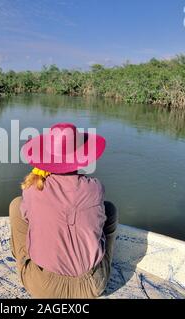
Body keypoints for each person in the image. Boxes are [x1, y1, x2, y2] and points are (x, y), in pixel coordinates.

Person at [9, 122, 118, 298]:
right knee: (110, 209)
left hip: (43, 288)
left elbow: (30, 215)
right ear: (82, 156)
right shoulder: (95, 188)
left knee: (16, 206)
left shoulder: (32, 190)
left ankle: (20, 257)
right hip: (92, 286)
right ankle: (103, 261)